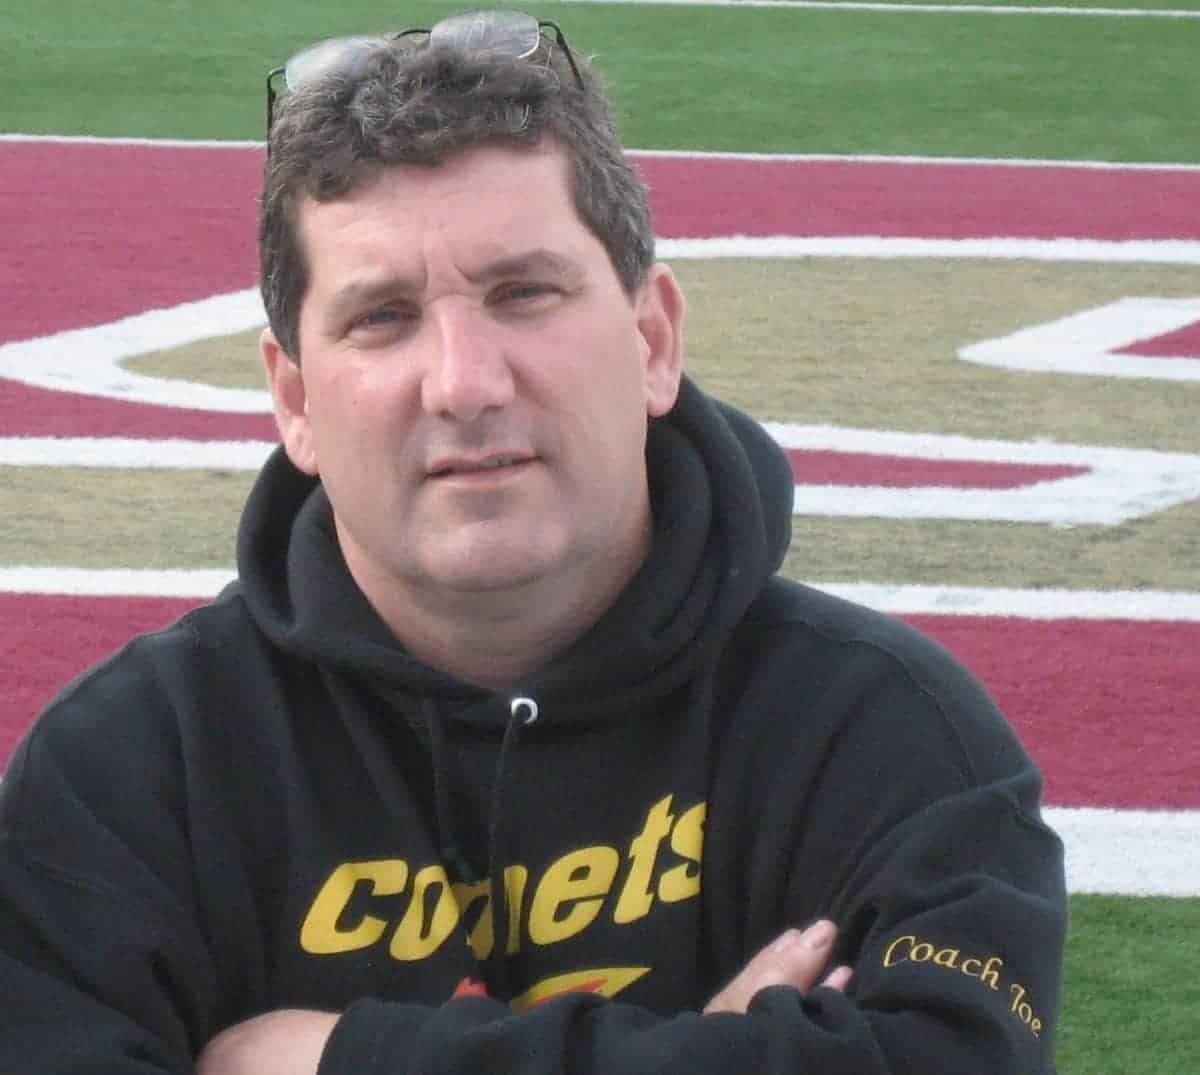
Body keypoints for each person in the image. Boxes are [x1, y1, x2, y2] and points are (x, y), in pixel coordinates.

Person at [0, 11, 1067, 1074]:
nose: (465, 382)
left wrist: (335, 1059)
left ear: (652, 342)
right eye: (382, 317)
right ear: (295, 401)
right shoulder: (130, 775)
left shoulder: (888, 737)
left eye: (523, 293)